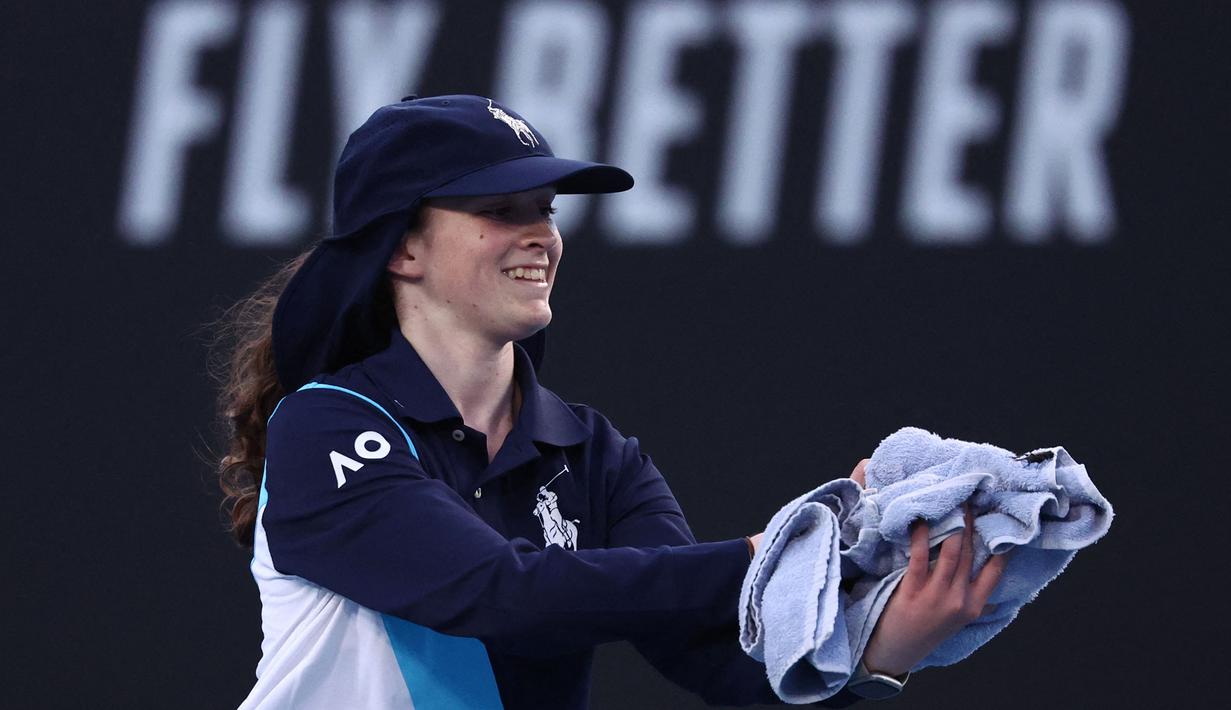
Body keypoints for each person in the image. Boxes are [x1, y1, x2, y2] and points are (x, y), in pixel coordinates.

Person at [215, 95, 1006, 709]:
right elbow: (502, 596)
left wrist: (880, 650)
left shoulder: (596, 456)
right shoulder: (328, 424)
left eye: (545, 210)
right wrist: (772, 555)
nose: (540, 235)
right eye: (499, 211)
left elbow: (722, 663)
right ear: (401, 247)